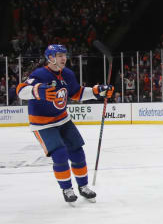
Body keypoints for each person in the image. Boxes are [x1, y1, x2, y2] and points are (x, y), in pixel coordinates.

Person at [16, 44, 114, 205]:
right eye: (60, 55)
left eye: (64, 55)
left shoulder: (67, 74)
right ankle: (67, 189)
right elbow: (20, 90)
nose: (64, 58)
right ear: (50, 58)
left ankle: (83, 186)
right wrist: (37, 91)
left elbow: (77, 93)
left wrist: (97, 91)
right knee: (60, 154)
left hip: (63, 120)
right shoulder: (39, 74)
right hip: (42, 124)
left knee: (77, 151)